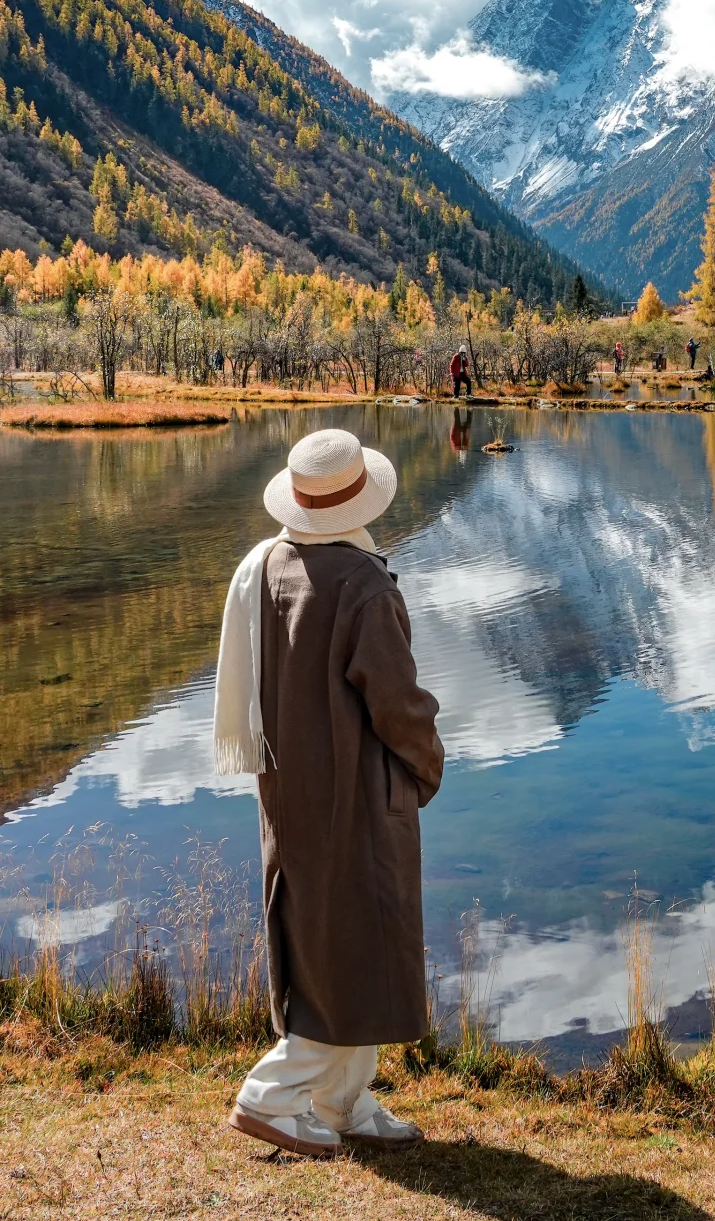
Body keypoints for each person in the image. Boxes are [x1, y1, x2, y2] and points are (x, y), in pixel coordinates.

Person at [215, 428, 444, 1158]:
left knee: (326, 934)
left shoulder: (270, 566)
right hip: (357, 789)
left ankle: (342, 1100)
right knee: (360, 933)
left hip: (290, 786)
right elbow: (398, 704)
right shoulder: (364, 586)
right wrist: (425, 768)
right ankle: (272, 1093)